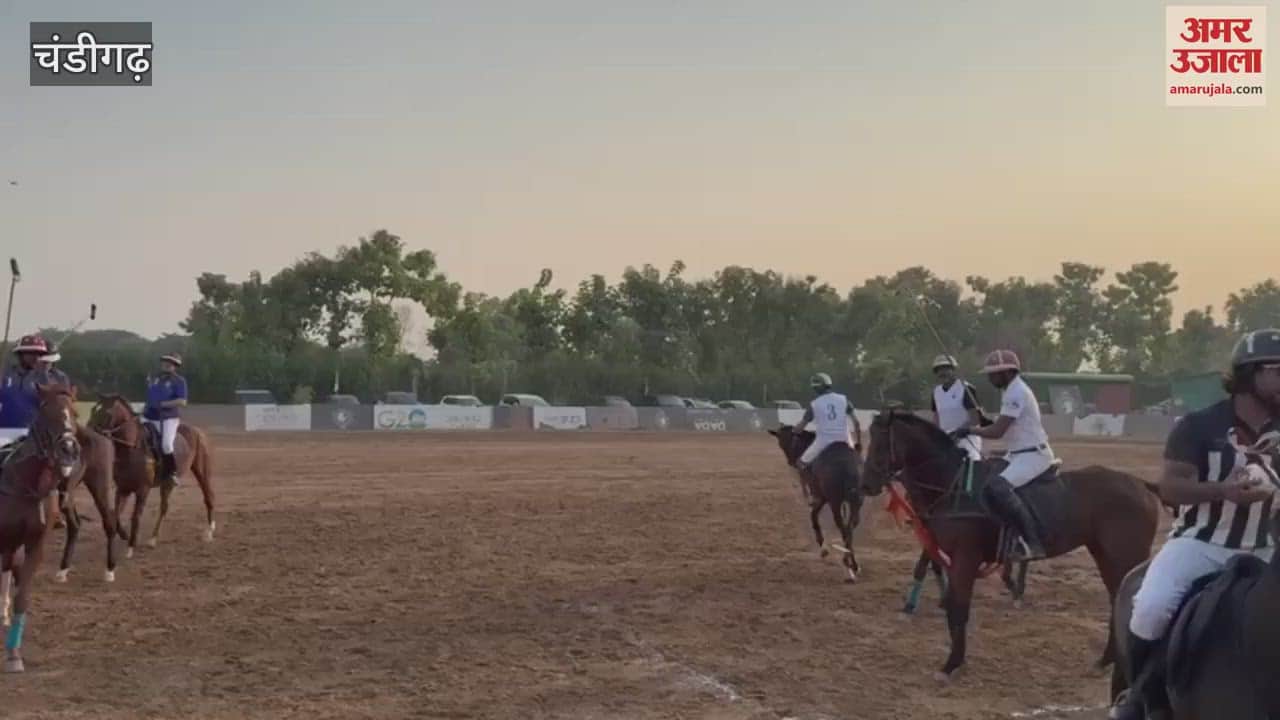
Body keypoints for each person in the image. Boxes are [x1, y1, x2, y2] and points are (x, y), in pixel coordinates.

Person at [1109, 330, 1280, 720]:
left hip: (1265, 546)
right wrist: (1224, 491)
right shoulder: (1200, 426)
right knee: (1151, 607)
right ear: (1251, 374)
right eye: (1279, 370)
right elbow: (1172, 486)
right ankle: (1141, 696)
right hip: (1201, 544)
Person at [950, 349, 1051, 561]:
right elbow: (1000, 424)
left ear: (1007, 373)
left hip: (1034, 455)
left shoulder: (1016, 392)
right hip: (1016, 453)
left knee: (999, 486)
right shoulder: (1010, 391)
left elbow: (997, 432)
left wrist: (970, 430)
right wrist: (984, 419)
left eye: (993, 374)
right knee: (986, 476)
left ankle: (1032, 542)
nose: (990, 378)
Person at [0, 334, 62, 455]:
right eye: (31, 353)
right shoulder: (5, 375)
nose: (35, 357)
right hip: (4, 432)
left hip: (35, 435)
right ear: (20, 355)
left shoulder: (48, 379)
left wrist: (43, 374)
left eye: (39, 354)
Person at [795, 372, 861, 469]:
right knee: (859, 463)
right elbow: (856, 423)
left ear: (815, 388)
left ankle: (808, 484)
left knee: (800, 463)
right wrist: (858, 443)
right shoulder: (844, 399)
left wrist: (795, 430)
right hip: (846, 440)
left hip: (823, 442)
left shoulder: (814, 404)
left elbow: (800, 428)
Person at [143, 353, 188, 486]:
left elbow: (182, 401)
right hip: (149, 415)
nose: (166, 363)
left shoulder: (179, 381)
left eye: (170, 362)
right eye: (165, 361)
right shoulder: (153, 378)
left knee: (166, 445)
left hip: (168, 418)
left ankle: (171, 473)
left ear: (175, 366)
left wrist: (163, 404)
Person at [929, 354, 983, 461]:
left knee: (970, 466)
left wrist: (958, 433)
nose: (942, 372)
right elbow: (936, 417)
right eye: (939, 370)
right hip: (945, 440)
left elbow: (975, 419)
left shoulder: (966, 388)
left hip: (967, 439)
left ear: (953, 370)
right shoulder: (936, 392)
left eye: (946, 368)